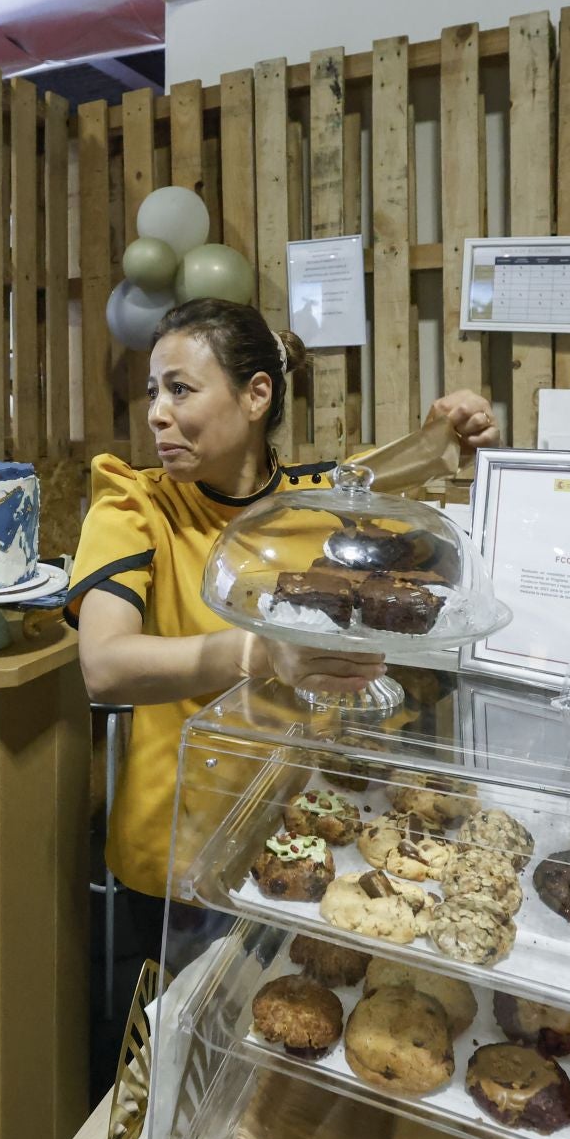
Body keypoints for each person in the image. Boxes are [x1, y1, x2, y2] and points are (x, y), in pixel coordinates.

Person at [65, 298, 501, 943]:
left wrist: (458, 428)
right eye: (154, 391)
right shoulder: (136, 503)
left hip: (318, 825)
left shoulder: (315, 499)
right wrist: (263, 654)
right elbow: (104, 667)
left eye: (180, 389)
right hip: (184, 844)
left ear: (256, 394)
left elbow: (404, 462)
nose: (156, 412)